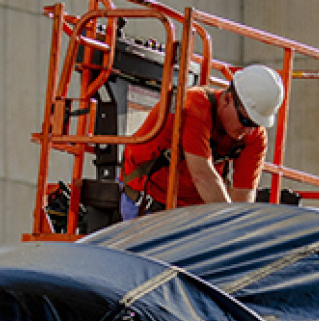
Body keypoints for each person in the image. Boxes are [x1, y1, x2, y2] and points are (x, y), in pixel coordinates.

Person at [119, 64, 284, 219]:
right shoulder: (194, 105)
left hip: (193, 212)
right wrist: (229, 226)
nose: (249, 131)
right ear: (227, 99)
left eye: (256, 124)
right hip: (148, 204)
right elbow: (202, 174)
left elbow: (243, 196)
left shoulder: (255, 136)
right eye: (246, 121)